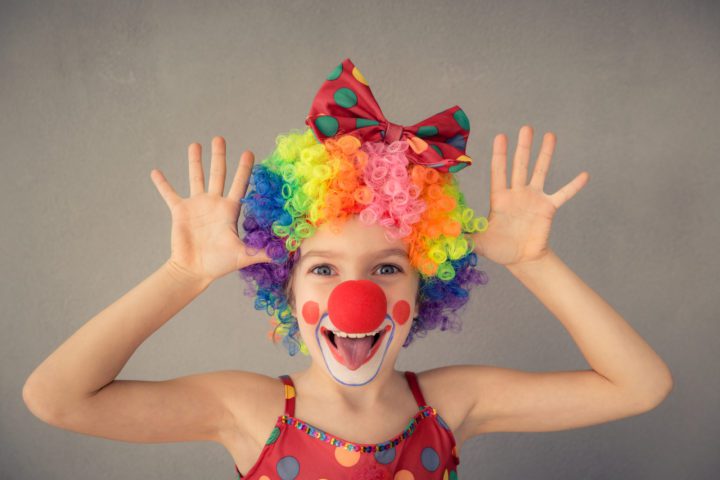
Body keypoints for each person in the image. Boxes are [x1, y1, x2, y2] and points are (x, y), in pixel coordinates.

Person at [23, 58, 673, 480]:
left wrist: (537, 263)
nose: (354, 296)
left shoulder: (447, 404)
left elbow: (639, 387)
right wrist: (182, 275)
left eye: (388, 269)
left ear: (426, 287)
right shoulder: (248, 410)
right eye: (324, 270)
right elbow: (54, 399)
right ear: (286, 283)